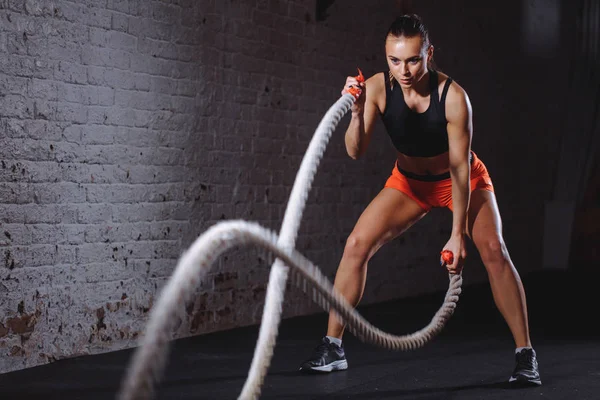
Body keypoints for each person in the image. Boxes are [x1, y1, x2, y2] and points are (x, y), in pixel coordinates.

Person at [298, 14, 541, 386]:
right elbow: (354, 151)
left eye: (413, 59)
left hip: (461, 180)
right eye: (395, 61)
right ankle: (333, 347)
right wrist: (358, 110)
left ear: (429, 52)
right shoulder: (379, 88)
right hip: (410, 184)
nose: (404, 70)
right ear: (386, 57)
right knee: (357, 244)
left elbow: (460, 169)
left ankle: (525, 354)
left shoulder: (454, 98)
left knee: (492, 248)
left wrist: (458, 233)